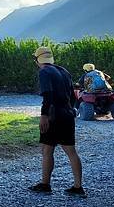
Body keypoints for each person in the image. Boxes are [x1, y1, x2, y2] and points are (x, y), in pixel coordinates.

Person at [29, 47, 85, 197]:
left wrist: (44, 116)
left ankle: (45, 184)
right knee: (71, 152)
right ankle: (78, 186)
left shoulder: (44, 72)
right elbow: (73, 94)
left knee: (47, 150)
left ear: (37, 60)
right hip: (67, 114)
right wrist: (71, 109)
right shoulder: (63, 71)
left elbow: (48, 95)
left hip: (54, 116)